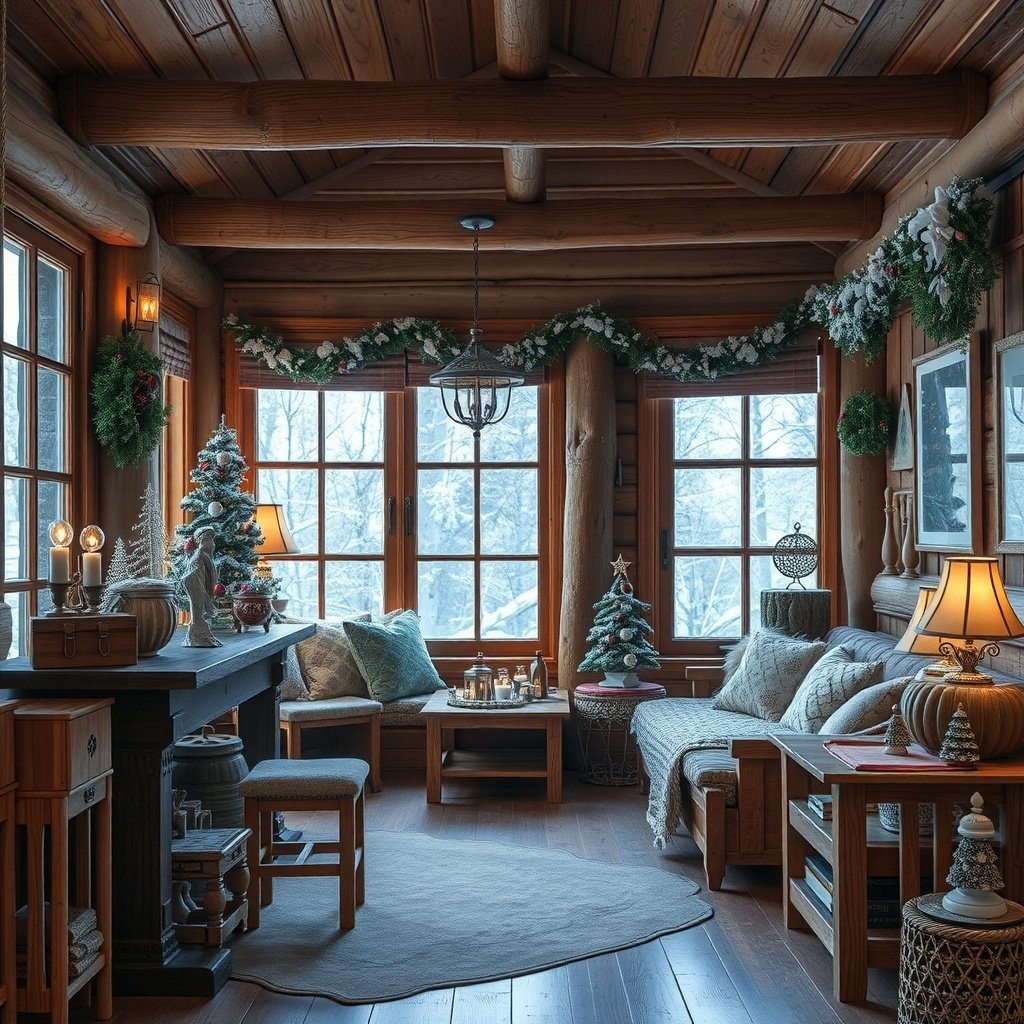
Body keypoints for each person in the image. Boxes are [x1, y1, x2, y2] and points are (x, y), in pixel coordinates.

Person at [182, 526, 222, 648]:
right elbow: (196, 576)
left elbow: (209, 575)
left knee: (199, 612)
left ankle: (200, 635)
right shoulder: (200, 555)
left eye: (212, 540)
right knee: (197, 611)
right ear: (202, 541)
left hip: (200, 586)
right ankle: (197, 636)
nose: (212, 544)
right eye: (209, 540)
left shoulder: (205, 555)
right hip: (196, 587)